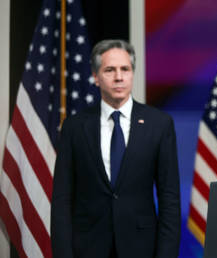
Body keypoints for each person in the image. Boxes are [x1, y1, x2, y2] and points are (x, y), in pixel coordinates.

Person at [51, 39, 181, 258]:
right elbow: (62, 200)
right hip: (87, 249)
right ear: (95, 76)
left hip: (141, 249)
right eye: (110, 70)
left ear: (132, 73)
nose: (119, 77)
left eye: (125, 69)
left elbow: (170, 200)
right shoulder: (74, 127)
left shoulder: (159, 124)